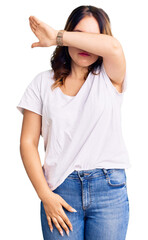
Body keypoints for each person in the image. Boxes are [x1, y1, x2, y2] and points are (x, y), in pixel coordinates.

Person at [16, 5, 131, 240]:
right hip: (60, 190)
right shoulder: (41, 84)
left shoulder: (110, 77)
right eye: (79, 36)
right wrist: (44, 195)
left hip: (108, 190)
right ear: (69, 36)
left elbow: (114, 47)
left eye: (92, 38)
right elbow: (27, 143)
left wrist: (59, 36)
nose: (84, 45)